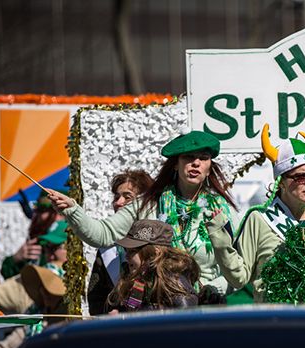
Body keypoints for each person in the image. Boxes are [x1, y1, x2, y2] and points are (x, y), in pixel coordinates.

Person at [47, 131, 235, 294]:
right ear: (176, 164)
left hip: (208, 308)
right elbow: (102, 234)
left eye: (203, 158)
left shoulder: (222, 211)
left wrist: (213, 288)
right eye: (188, 157)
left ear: (210, 167)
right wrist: (72, 209)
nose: (196, 163)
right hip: (157, 306)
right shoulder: (147, 204)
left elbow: (241, 266)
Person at [206, 124, 305, 303]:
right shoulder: (259, 219)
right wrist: (220, 241)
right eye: (301, 177)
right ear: (281, 182)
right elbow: (239, 278)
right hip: (274, 321)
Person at [87, 169, 154, 314]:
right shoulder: (107, 249)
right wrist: (110, 313)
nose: (119, 203)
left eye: (127, 197)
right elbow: (96, 297)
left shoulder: (158, 245)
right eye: (116, 197)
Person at [107, 220, 199, 312]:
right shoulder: (139, 279)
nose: (126, 257)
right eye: (126, 251)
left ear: (155, 253)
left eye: (133, 251)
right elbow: (132, 311)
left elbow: (186, 316)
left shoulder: (173, 280)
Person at [0, 190, 64, 279]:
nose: (40, 216)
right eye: (39, 211)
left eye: (46, 210)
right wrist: (17, 258)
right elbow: (10, 276)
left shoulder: (72, 237)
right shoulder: (39, 241)